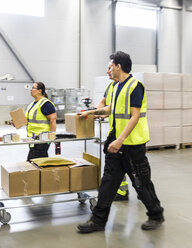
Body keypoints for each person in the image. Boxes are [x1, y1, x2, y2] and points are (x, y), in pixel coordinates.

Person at [77, 51, 164, 233]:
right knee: (108, 183)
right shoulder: (116, 87)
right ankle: (98, 221)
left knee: (141, 183)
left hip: (132, 145)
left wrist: (120, 140)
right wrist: (90, 113)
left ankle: (156, 214)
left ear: (118, 66)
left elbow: (135, 115)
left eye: (111, 65)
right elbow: (110, 109)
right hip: (115, 144)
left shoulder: (135, 86)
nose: (108, 69)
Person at [96, 61, 129, 201]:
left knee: (131, 166)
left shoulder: (129, 86)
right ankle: (121, 191)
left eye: (110, 68)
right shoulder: (111, 86)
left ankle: (142, 190)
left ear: (118, 67)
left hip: (128, 133)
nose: (108, 71)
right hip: (115, 132)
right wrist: (97, 112)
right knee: (117, 163)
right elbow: (104, 103)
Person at [25, 82, 57, 161]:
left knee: (34, 162)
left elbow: (53, 120)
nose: (31, 89)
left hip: (42, 139)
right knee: (39, 162)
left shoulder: (45, 104)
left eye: (33, 88)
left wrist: (52, 136)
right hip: (32, 138)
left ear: (40, 90)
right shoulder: (32, 104)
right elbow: (28, 120)